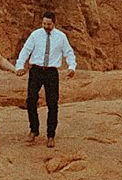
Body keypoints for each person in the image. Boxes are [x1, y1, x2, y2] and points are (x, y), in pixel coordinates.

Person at [15, 11, 76, 144]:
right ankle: (34, 130)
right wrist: (19, 66)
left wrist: (72, 66)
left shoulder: (61, 37)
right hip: (36, 70)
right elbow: (26, 50)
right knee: (31, 100)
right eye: (44, 23)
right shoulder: (35, 35)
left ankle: (51, 135)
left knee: (53, 103)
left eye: (48, 24)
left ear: (54, 23)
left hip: (51, 72)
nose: (46, 26)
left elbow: (69, 52)